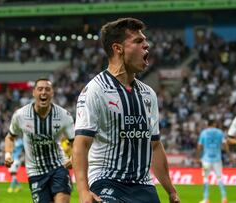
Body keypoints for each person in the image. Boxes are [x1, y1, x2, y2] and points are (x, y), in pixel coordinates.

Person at [72, 17, 180, 203]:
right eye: (138, 41)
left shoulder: (148, 94)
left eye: (145, 40)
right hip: (107, 182)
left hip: (144, 186)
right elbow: (81, 144)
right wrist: (83, 191)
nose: (146, 45)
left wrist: (170, 190)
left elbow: (154, 145)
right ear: (118, 48)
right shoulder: (95, 90)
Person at [5, 78, 75, 203]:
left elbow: (75, 141)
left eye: (47, 89)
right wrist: (8, 154)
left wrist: (73, 157)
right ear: (34, 93)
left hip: (58, 166)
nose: (44, 92)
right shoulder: (20, 115)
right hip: (35, 171)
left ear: (52, 93)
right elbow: (10, 137)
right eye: (40, 89)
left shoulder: (64, 115)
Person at [196, 119, 228, 203]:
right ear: (214, 124)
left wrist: (197, 157)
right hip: (217, 159)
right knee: (220, 178)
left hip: (206, 159)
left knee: (206, 178)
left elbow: (199, 146)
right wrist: (229, 154)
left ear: (208, 124)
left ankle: (206, 199)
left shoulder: (204, 132)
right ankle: (224, 198)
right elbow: (225, 144)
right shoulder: (220, 132)